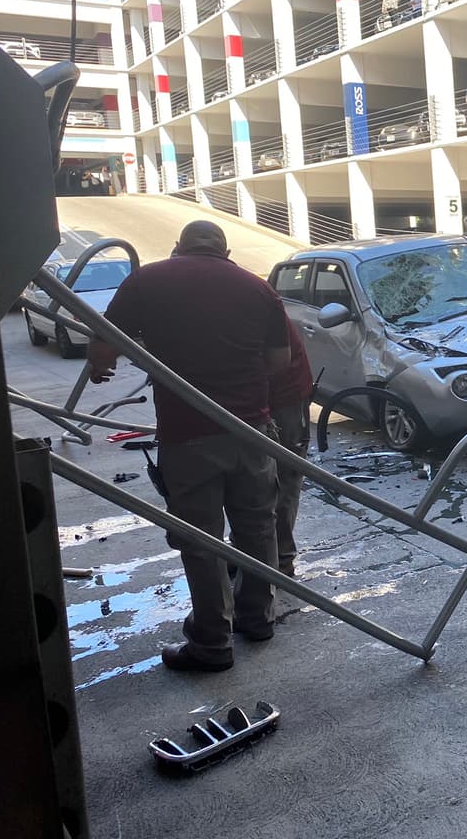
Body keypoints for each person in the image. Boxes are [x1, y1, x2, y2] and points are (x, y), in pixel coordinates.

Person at [86, 221, 290, 673]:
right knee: (257, 527)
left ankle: (213, 643)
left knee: (201, 540)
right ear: (225, 252)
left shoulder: (147, 280)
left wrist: (102, 368)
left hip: (187, 434)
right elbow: (279, 360)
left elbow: (102, 348)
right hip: (251, 430)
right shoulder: (257, 287)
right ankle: (258, 618)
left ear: (178, 247)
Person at [267, 317, 313, 580]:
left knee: (285, 476)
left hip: (283, 398)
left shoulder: (256, 300)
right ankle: (252, 551)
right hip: (250, 396)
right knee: (248, 480)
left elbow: (278, 360)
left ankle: (280, 558)